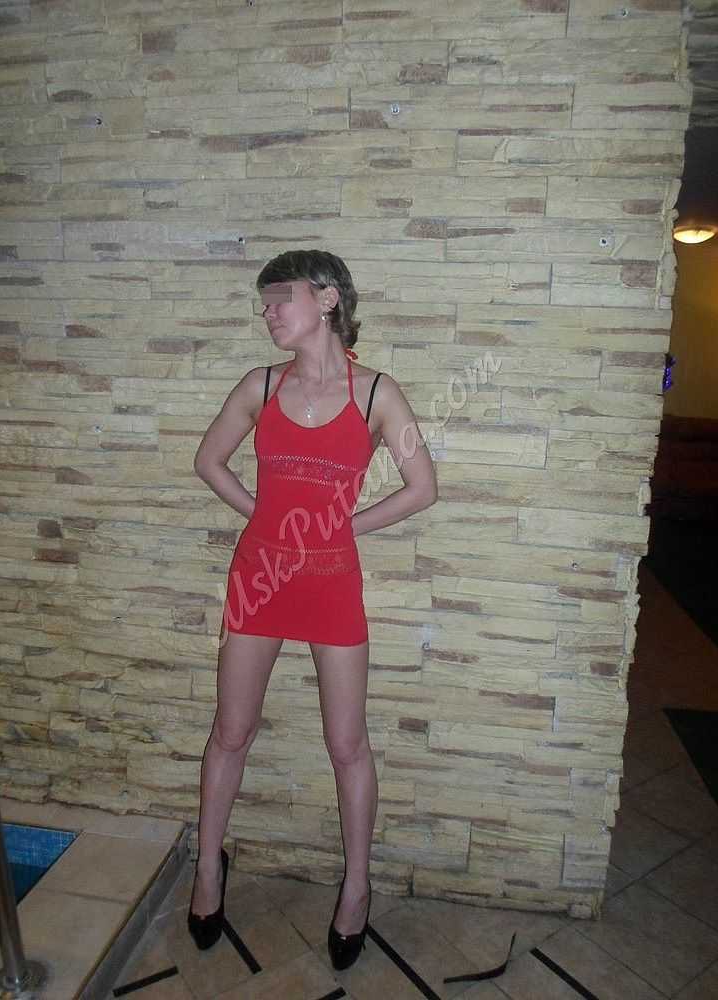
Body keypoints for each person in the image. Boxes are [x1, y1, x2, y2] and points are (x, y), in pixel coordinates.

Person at [189, 249, 438, 969]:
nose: (268, 312)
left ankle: (357, 886)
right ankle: (207, 867)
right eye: (264, 302)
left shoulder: (378, 393)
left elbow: (422, 487)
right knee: (230, 732)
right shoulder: (259, 384)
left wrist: (344, 526)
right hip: (260, 579)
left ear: (328, 300)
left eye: (280, 298)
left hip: (332, 584)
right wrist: (266, 519)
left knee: (346, 743)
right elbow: (208, 462)